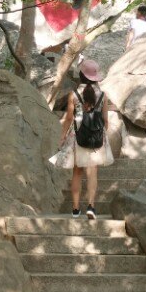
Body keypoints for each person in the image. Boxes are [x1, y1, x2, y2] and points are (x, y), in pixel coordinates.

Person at [54, 58, 113, 220]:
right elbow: (105, 120)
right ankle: (91, 207)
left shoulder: (74, 95)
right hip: (96, 139)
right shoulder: (103, 95)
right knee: (92, 173)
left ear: (81, 75)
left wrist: (62, 137)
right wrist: (100, 135)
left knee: (77, 173)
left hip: (77, 137)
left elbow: (68, 119)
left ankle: (75, 209)